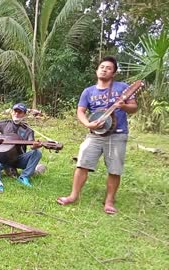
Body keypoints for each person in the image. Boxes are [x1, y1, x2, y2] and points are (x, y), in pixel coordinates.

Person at [56, 56, 137, 214]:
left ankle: (109, 201)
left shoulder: (122, 88)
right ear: (97, 70)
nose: (104, 69)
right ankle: (73, 196)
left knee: (114, 168)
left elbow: (134, 107)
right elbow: (80, 111)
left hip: (117, 133)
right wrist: (87, 124)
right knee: (82, 163)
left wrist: (124, 106)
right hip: (95, 133)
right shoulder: (88, 91)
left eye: (108, 68)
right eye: (102, 67)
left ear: (113, 73)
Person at [0, 103, 43, 193]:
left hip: (19, 158)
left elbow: (32, 145)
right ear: (12, 112)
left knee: (37, 153)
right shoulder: (5, 124)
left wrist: (35, 146)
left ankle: (24, 177)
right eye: (15, 111)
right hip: (3, 157)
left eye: (19, 112)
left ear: (24, 114)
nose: (16, 114)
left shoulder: (28, 130)